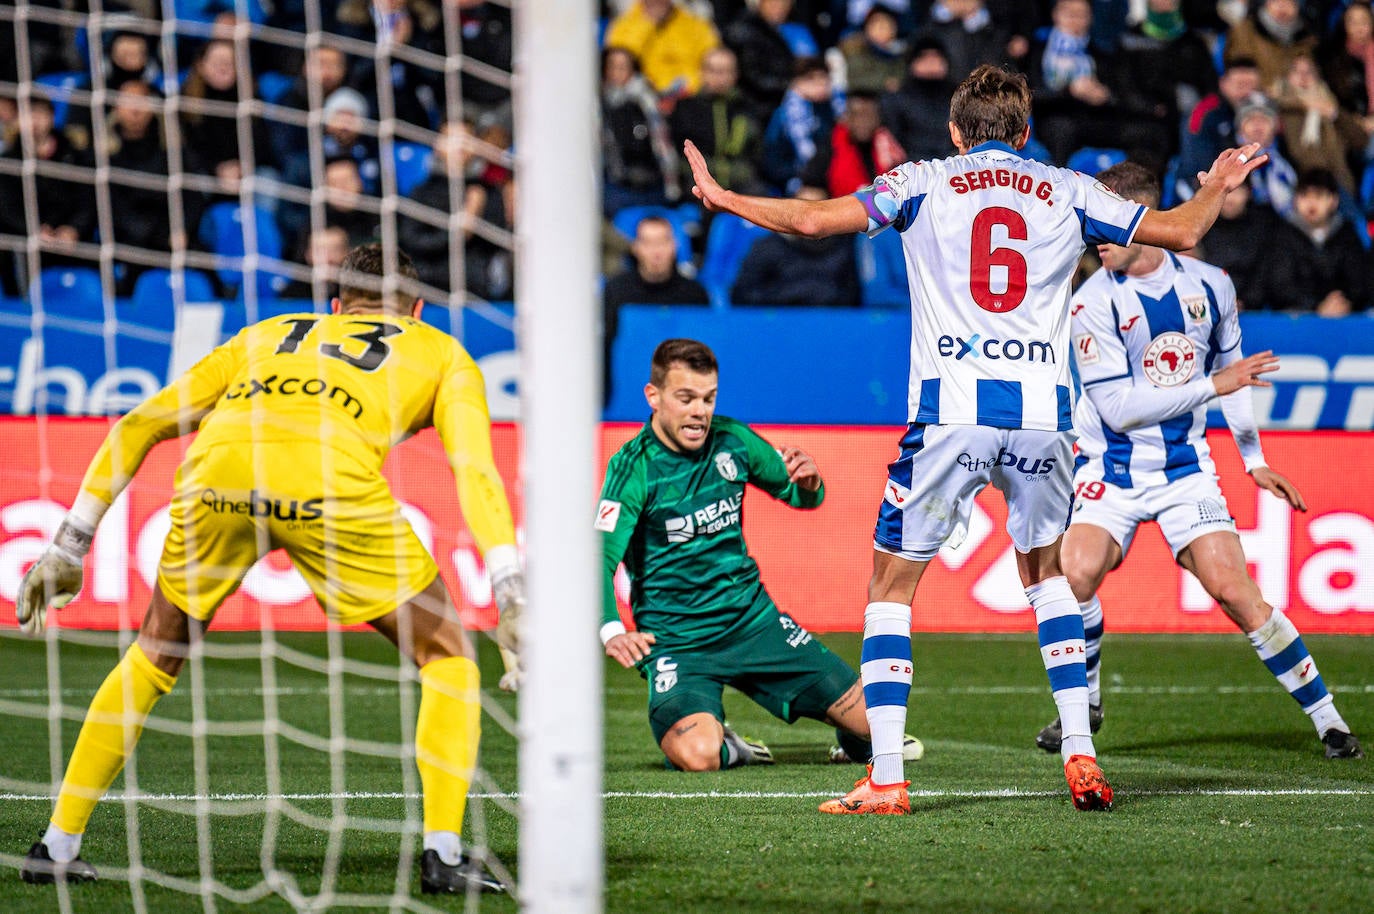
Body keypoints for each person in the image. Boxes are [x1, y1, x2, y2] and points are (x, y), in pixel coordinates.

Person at [684, 62, 1269, 814]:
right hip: (1043, 419)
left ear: (956, 133)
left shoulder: (918, 181)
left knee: (891, 586)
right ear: (1026, 135)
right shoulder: (1070, 188)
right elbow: (1185, 231)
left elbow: (806, 222)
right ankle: (1081, 756)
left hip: (950, 413)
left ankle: (887, 778)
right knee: (1047, 577)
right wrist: (1217, 182)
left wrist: (726, 198)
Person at [15, 244, 525, 893]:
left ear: (336, 305)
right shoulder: (441, 351)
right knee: (447, 652)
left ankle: (57, 845)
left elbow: (139, 424)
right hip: (330, 484)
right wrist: (509, 588)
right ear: (418, 309)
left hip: (218, 475)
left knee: (153, 654)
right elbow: (474, 469)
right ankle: (444, 856)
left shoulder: (267, 333)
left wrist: (68, 543)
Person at [1035, 161, 1363, 761]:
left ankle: (1329, 720)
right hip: (1111, 468)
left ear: (1145, 223)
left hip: (1186, 469)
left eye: (1108, 226)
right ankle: (1085, 701)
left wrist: (1252, 457)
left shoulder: (1211, 285)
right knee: (1071, 576)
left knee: (1235, 591)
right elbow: (1118, 406)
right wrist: (1215, 385)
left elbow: (1238, 378)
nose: (1096, 239)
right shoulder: (1090, 304)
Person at [597, 338, 922, 772]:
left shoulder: (732, 440)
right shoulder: (632, 468)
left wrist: (809, 483)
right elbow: (598, 557)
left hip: (753, 624)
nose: (700, 411)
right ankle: (731, 745)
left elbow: (799, 495)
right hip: (677, 642)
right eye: (686, 398)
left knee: (877, 722)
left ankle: (857, 745)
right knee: (699, 754)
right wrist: (610, 629)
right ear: (653, 397)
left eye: (708, 398)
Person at [602, 216, 709, 404]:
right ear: (636, 247)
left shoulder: (694, 294)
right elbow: (606, 346)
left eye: (662, 242)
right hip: (627, 392)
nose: (656, 252)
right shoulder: (616, 290)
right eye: (648, 243)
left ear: (674, 245)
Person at [1261, 168, 1372, 315]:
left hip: (1343, 315)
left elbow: (1359, 283)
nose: (1311, 203)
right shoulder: (1283, 234)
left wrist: (1344, 302)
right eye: (1305, 195)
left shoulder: (1347, 234)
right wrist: (1316, 307)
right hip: (1297, 318)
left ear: (1334, 200)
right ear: (1295, 200)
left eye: (1319, 196)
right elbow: (1280, 286)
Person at [731, 186, 861, 307]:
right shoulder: (768, 248)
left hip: (830, 321)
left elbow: (853, 294)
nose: (811, 218)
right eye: (803, 211)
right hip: (777, 322)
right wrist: (789, 296)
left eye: (819, 210)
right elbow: (743, 294)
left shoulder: (842, 249)